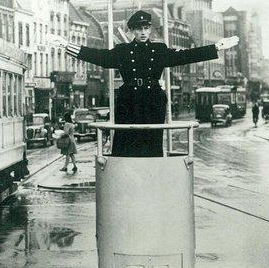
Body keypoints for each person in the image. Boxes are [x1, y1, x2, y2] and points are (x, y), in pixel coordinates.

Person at [48, 10, 239, 157]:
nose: (143, 32)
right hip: (128, 99)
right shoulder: (122, 51)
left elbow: (185, 56)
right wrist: (66, 46)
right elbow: (98, 56)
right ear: (131, 31)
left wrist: (216, 47)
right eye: (139, 29)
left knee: (152, 140)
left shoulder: (159, 49)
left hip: (152, 99)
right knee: (125, 140)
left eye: (146, 28)